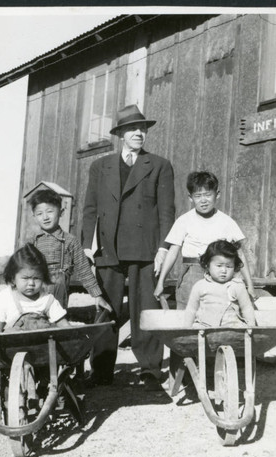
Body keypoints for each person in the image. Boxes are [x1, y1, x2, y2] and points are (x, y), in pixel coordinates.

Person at [82, 104, 175, 389]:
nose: (139, 133)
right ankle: (101, 371)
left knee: (145, 308)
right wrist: (88, 245)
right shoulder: (100, 166)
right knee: (106, 308)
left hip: (145, 250)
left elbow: (166, 211)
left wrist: (163, 249)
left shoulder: (159, 165)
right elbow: (90, 208)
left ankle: (149, 370)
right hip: (108, 248)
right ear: (120, 133)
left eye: (143, 128)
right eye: (133, 128)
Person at [154, 171, 256, 309]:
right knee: (188, 318)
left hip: (220, 276)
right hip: (191, 276)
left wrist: (249, 285)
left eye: (208, 195)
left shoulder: (227, 222)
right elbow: (173, 252)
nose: (203, 200)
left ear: (217, 195)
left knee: (219, 315)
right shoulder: (184, 221)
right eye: (198, 196)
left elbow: (240, 255)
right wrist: (161, 282)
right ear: (190, 198)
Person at [27, 189, 111, 312]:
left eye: (50, 211)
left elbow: (84, 270)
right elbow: (20, 268)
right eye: (39, 214)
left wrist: (97, 295)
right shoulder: (32, 242)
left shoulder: (70, 241)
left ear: (61, 212)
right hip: (35, 287)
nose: (45, 217)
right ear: (34, 216)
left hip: (58, 291)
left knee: (56, 320)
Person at [0, 243, 70, 332]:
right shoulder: (6, 297)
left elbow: (64, 325)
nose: (31, 283)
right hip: (12, 343)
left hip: (42, 343)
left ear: (43, 278)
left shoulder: (47, 299)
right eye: (25, 278)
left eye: (36, 278)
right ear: (13, 278)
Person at [184, 240, 255, 328]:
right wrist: (187, 330)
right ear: (207, 265)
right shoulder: (200, 286)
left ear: (235, 267)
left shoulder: (237, 286)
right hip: (204, 328)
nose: (224, 271)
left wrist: (251, 328)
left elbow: (246, 308)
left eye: (228, 266)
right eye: (219, 266)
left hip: (232, 329)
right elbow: (191, 309)